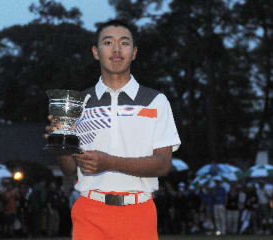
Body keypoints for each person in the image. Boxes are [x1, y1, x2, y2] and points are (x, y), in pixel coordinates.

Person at [46, 19, 181, 240]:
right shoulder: (78, 104)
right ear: (96, 52)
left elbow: (163, 164)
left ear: (134, 52)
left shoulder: (156, 101)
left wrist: (110, 162)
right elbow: (70, 170)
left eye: (124, 43)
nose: (116, 49)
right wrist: (60, 143)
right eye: (108, 42)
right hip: (90, 211)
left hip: (139, 212)